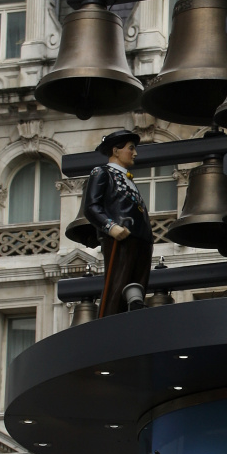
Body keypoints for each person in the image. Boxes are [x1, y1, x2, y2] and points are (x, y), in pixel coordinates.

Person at [81, 129, 153, 316]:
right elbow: (91, 206)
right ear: (116, 150)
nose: (135, 153)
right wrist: (110, 227)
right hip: (121, 237)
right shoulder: (102, 172)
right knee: (117, 282)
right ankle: (111, 320)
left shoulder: (129, 180)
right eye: (131, 148)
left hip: (141, 238)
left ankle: (133, 316)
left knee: (138, 283)